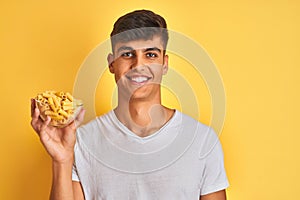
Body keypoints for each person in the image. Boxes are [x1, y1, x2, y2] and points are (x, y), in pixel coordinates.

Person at [31, 9, 229, 200]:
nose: (138, 65)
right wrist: (61, 161)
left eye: (150, 55)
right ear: (112, 63)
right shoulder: (81, 142)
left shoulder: (202, 140)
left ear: (165, 64)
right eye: (127, 54)